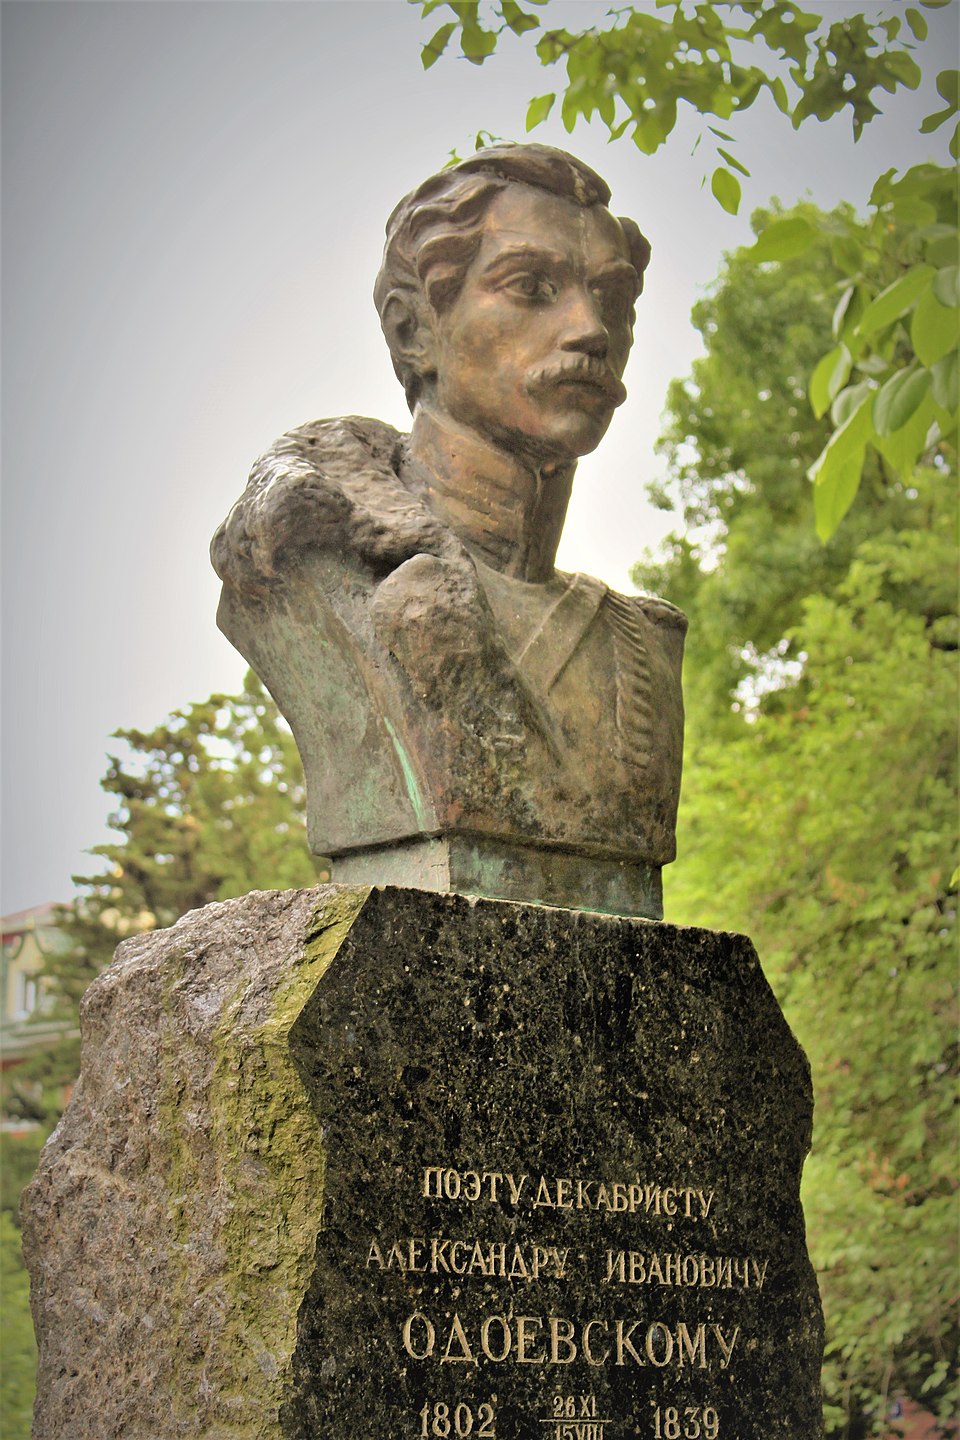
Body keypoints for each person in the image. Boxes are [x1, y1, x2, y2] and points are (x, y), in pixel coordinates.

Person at [212, 143, 686, 918]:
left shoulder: (645, 646)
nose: (591, 330)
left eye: (612, 298)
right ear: (413, 332)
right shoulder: (318, 574)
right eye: (532, 288)